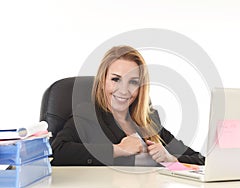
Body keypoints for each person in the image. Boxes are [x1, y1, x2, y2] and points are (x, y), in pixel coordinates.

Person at [51, 45, 205, 166]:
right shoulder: (88, 115)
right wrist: (117, 150)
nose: (124, 90)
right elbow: (56, 151)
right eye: (116, 79)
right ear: (102, 82)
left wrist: (170, 158)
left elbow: (200, 159)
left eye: (133, 82)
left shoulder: (149, 121)